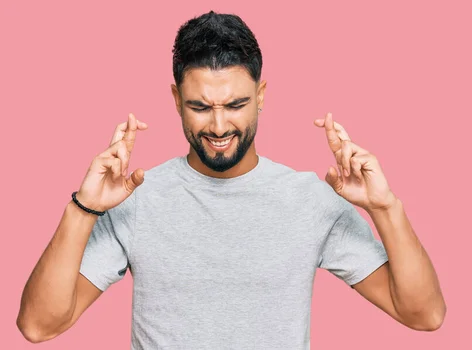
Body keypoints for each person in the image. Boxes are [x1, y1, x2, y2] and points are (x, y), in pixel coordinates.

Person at [16, 10, 446, 349]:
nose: (219, 126)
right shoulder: (135, 198)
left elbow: (423, 315)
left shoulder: (309, 199)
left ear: (261, 96)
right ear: (176, 99)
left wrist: (385, 208)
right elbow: (39, 326)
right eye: (200, 107)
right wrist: (83, 208)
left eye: (236, 104)